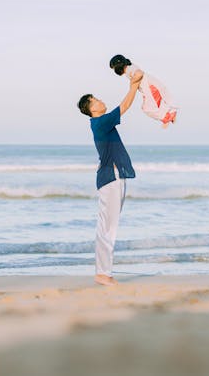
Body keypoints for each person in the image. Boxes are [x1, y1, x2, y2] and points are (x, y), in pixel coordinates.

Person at [77, 74, 142, 287]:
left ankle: (103, 272)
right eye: (95, 100)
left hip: (112, 177)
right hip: (111, 178)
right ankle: (103, 274)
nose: (100, 101)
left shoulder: (99, 123)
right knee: (108, 227)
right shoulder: (100, 122)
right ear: (91, 108)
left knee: (106, 225)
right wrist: (133, 86)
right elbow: (124, 106)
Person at [109, 54, 178, 127]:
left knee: (148, 107)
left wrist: (132, 82)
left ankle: (168, 116)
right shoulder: (129, 68)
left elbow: (139, 74)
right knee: (152, 105)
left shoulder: (129, 69)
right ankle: (168, 116)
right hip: (147, 87)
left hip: (149, 87)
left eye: (114, 69)